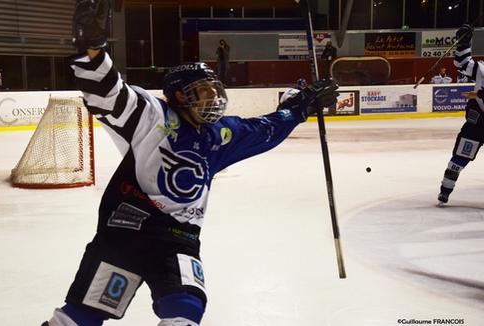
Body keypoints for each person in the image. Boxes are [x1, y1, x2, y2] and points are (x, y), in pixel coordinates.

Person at [42, 1, 339, 325]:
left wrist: (299, 107)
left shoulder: (219, 135)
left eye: (214, 90)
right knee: (81, 318)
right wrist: (91, 49)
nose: (213, 98)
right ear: (180, 96)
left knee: (186, 308)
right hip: (127, 233)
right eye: (203, 91)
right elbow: (107, 94)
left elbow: (264, 130)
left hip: (178, 239)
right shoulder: (149, 115)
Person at [437, 23, 482, 205]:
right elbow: (462, 64)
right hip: (478, 124)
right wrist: (464, 42)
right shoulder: (482, 69)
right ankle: (445, 191)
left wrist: (479, 94)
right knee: (458, 160)